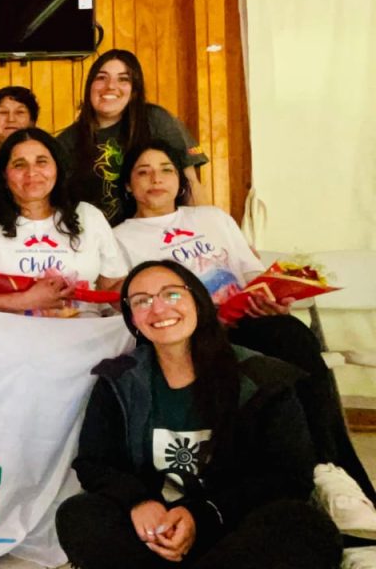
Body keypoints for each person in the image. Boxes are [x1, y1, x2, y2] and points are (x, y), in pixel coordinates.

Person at [112, 140, 376, 510]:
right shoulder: (121, 238)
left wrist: (275, 296)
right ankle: (326, 475)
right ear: (128, 185)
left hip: (248, 318)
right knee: (281, 347)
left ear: (180, 179)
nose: (156, 179)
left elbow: (252, 274)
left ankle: (333, 473)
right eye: (143, 171)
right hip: (191, 330)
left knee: (292, 336)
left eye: (166, 169)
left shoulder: (211, 219)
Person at [56, 260, 342, 569]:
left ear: (198, 301)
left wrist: (202, 516)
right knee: (79, 513)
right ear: (132, 319)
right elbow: (94, 462)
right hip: (157, 532)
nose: (159, 308)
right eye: (142, 301)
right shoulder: (120, 379)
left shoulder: (262, 378)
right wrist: (138, 501)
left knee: (304, 525)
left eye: (172, 294)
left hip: (232, 527)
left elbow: (289, 474)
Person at [0, 128, 127, 317]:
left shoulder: (89, 216)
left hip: (85, 336)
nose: (31, 173)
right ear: (4, 174)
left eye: (42, 162)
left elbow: (113, 287)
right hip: (5, 341)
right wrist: (25, 301)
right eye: (19, 165)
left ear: (57, 167)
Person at [55, 49, 209, 223]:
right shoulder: (65, 142)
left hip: (163, 236)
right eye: (101, 77)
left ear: (134, 90)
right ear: (90, 85)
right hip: (100, 243)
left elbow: (191, 184)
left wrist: (206, 233)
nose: (111, 86)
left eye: (123, 79)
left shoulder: (156, 119)